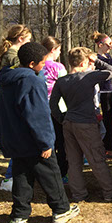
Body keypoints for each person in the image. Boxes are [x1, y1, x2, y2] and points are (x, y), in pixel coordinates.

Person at [0, 42, 79, 223]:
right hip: (33, 140)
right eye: (42, 63)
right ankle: (61, 210)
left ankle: (19, 215)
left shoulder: (8, 79)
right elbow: (38, 115)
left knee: (21, 176)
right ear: (32, 63)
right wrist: (46, 142)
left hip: (15, 139)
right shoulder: (32, 81)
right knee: (51, 174)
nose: (44, 67)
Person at [50, 47, 112, 202]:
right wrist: (96, 60)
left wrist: (62, 119)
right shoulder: (88, 77)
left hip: (69, 123)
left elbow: (53, 105)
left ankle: (78, 194)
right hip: (86, 124)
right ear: (84, 63)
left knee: (73, 161)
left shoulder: (61, 81)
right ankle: (110, 192)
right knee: (96, 158)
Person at [0, 24, 32, 192]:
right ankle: (10, 178)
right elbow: (24, 70)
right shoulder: (13, 55)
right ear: (21, 39)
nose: (29, 43)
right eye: (28, 40)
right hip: (14, 100)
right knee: (19, 141)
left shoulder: (12, 53)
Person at [41, 36, 68, 183]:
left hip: (41, 108)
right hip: (58, 108)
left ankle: (45, 173)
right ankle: (62, 173)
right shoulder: (58, 67)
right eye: (59, 50)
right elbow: (66, 88)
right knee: (61, 143)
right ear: (53, 50)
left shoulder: (37, 65)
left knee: (46, 142)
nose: (60, 53)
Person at [92, 31, 112, 158]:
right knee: (108, 121)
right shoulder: (98, 59)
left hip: (111, 91)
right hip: (104, 93)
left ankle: (110, 147)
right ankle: (109, 148)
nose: (110, 46)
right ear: (100, 45)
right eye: (108, 44)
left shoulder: (107, 57)